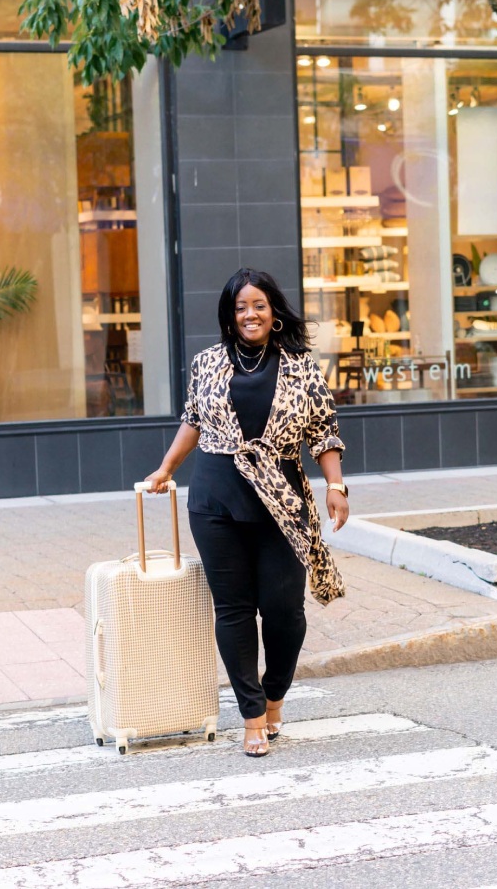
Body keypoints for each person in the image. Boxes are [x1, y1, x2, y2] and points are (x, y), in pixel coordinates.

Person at [144, 268, 349, 758]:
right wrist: (166, 468)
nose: (250, 314)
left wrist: (335, 485)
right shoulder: (208, 362)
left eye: (258, 305)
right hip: (216, 497)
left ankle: (275, 696)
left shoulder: (300, 366)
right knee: (234, 611)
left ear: (273, 311)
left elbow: (323, 430)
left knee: (283, 612)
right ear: (229, 315)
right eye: (240, 307)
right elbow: (193, 420)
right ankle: (252, 717)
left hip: (281, 498)